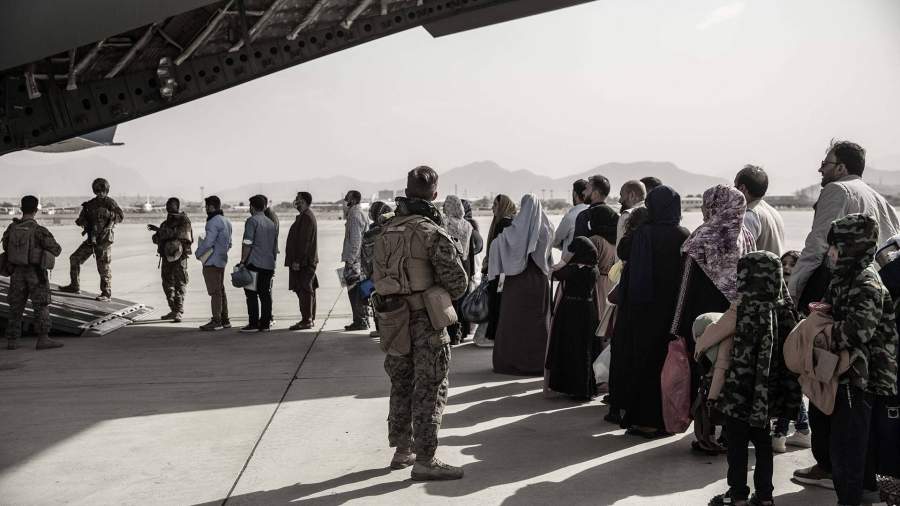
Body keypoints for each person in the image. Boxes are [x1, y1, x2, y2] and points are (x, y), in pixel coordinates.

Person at [371, 165, 468, 480]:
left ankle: (403, 450)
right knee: (429, 387)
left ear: (406, 191)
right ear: (434, 194)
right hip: (425, 321)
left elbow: (372, 272)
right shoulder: (430, 232)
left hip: (392, 319)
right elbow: (458, 283)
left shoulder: (385, 230)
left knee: (401, 383)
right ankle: (425, 459)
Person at [795, 214, 899, 505]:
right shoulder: (843, 278)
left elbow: (858, 332)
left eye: (836, 246)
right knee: (850, 442)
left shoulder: (866, 282)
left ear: (852, 247)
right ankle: (864, 492)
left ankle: (851, 498)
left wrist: (819, 334)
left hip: (859, 376)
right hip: (842, 372)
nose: (830, 252)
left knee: (848, 446)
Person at [706, 252, 802, 506]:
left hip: (739, 390)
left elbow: (718, 343)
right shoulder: (786, 310)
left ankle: (737, 494)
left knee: (737, 444)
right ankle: (765, 496)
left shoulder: (743, 309)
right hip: (768, 392)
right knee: (763, 443)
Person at [675, 185, 754, 453]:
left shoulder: (702, 238)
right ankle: (729, 435)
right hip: (735, 319)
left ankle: (706, 437)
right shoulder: (745, 235)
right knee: (729, 375)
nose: (701, 208)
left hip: (704, 322)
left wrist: (677, 327)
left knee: (705, 379)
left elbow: (685, 287)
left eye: (705, 203)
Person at [614, 186, 690, 436]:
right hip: (672, 312)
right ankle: (666, 419)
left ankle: (642, 419)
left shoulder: (643, 233)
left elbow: (623, 253)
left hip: (642, 310)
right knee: (667, 364)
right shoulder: (683, 235)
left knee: (642, 363)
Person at [790, 140, 900, 310]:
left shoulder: (837, 189)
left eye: (825, 164)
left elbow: (816, 247)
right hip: (876, 295)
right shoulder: (882, 201)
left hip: (839, 295)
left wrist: (792, 293)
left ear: (841, 168)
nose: (820, 169)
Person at [488, 193, 554, 376]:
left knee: (513, 322)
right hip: (539, 282)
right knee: (538, 323)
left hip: (517, 282)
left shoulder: (514, 230)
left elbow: (496, 246)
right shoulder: (547, 228)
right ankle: (538, 364)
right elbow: (549, 257)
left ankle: (511, 363)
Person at [3, 195, 63, 350]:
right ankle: (43, 339)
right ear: (36, 210)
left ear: (21, 209)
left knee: (15, 307)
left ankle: (12, 341)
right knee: (41, 305)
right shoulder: (39, 230)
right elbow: (56, 249)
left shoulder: (11, 228)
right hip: (35, 273)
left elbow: (5, 247)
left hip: (16, 272)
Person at [545, 237, 600, 399]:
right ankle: (585, 388)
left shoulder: (574, 269)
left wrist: (563, 262)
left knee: (572, 348)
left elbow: (554, 274)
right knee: (585, 349)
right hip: (588, 309)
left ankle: (574, 388)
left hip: (571, 311)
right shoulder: (594, 270)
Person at [59, 178, 124, 301]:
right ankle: (74, 286)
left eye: (102, 191)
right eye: (98, 191)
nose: (100, 193)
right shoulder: (90, 204)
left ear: (106, 191)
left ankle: (106, 293)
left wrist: (109, 214)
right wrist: (82, 221)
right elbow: (81, 218)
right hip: (91, 239)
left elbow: (120, 216)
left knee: (103, 266)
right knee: (74, 259)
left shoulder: (110, 203)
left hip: (104, 240)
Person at [772, 250, 811, 453]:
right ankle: (803, 430)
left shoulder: (800, 294)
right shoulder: (776, 290)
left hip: (793, 353)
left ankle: (779, 433)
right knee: (791, 390)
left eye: (792, 264)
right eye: (784, 263)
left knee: (789, 388)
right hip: (780, 351)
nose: (787, 268)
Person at [147, 198, 193, 323]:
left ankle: (178, 311)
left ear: (177, 206)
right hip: (167, 258)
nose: (168, 207)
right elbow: (157, 239)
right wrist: (158, 235)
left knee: (180, 283)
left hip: (179, 258)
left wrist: (160, 231)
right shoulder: (165, 223)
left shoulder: (184, 221)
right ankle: (173, 309)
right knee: (167, 284)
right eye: (167, 205)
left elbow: (181, 235)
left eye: (171, 205)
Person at [238, 195, 278, 333]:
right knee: (265, 295)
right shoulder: (271, 223)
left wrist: (242, 261)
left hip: (254, 263)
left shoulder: (252, 221)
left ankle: (253, 323)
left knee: (251, 294)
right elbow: (274, 246)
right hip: (269, 264)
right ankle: (265, 324)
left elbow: (247, 243)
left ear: (252, 207)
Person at [482, 194, 517, 341]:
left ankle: (497, 334)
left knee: (497, 300)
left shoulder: (503, 224)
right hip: (503, 272)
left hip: (500, 274)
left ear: (503, 206)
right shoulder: (510, 222)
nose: (492, 208)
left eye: (495, 205)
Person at [196, 196, 232, 331]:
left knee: (215, 292)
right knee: (220, 290)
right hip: (222, 260)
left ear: (211, 207)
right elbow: (229, 243)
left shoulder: (212, 222)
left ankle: (216, 321)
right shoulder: (226, 221)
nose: (206, 209)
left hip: (211, 262)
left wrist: (198, 253)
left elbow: (208, 242)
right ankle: (225, 319)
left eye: (206, 206)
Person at [284, 192, 318, 331]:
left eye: (298, 199)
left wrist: (297, 260)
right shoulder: (304, 216)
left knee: (305, 290)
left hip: (304, 262)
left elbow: (305, 242)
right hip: (304, 261)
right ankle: (309, 318)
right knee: (306, 289)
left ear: (303, 201)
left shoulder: (307, 217)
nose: (296, 202)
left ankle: (307, 320)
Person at [734, 165, 785, 256]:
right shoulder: (773, 212)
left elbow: (740, 254)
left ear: (742, 188)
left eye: (735, 186)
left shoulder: (748, 216)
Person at [443, 195, 473, 345]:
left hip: (450, 265)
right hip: (465, 265)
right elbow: (469, 250)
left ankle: (453, 334)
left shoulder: (446, 223)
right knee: (462, 300)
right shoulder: (467, 225)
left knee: (450, 302)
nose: (443, 207)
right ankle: (462, 332)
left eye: (445, 204)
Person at [361, 200, 393, 338]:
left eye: (371, 211)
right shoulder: (393, 229)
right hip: (392, 272)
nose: (369, 214)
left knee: (377, 301)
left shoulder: (372, 233)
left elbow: (367, 256)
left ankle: (381, 329)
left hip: (376, 273)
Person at [342, 190, 370, 331]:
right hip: (359, 260)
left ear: (352, 200)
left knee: (355, 292)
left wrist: (351, 261)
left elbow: (356, 240)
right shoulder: (358, 213)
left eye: (347, 198)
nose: (345, 200)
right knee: (360, 291)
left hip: (355, 261)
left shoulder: (354, 215)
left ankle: (360, 321)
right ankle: (363, 319)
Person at [460, 199, 484, 342]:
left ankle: (466, 327)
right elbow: (479, 246)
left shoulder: (468, 225)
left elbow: (478, 245)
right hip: (473, 263)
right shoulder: (472, 224)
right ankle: (469, 327)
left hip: (470, 263)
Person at [574, 175, 617, 240]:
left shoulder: (585, 216)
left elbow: (577, 243)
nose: (583, 192)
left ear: (595, 194)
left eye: (586, 189)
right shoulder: (614, 216)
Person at [552, 179, 589, 253]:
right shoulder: (594, 213)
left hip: (572, 259)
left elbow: (555, 241)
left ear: (575, 194)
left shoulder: (570, 217)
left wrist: (564, 245)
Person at [615, 180, 647, 247]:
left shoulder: (627, 215)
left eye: (621, 195)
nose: (620, 200)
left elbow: (620, 251)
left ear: (632, 195)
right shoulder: (653, 212)